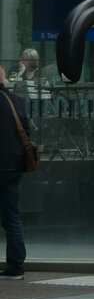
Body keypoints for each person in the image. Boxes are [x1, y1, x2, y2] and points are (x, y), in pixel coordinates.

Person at [0, 65, 29, 279]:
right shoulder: (15, 100)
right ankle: (16, 266)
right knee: (12, 218)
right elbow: (26, 130)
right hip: (12, 167)